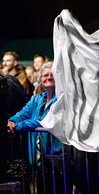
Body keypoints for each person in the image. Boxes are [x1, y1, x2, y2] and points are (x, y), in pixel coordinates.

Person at [7, 62, 67, 193]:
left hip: (57, 162)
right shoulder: (36, 99)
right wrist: (11, 121)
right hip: (37, 161)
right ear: (40, 80)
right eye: (45, 75)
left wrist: (18, 126)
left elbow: (43, 121)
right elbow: (22, 114)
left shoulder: (61, 100)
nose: (49, 77)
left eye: (52, 75)